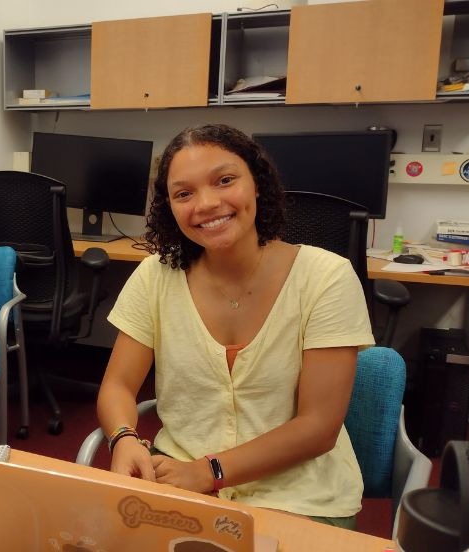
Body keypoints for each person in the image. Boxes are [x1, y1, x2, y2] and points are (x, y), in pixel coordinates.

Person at [97, 124, 374, 528]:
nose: (206, 204)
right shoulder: (155, 276)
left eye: (225, 180)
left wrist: (207, 472)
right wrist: (123, 437)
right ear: (170, 207)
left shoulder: (326, 277)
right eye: (183, 193)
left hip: (298, 493)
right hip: (177, 476)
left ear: (257, 184)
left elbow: (318, 428)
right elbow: (118, 386)